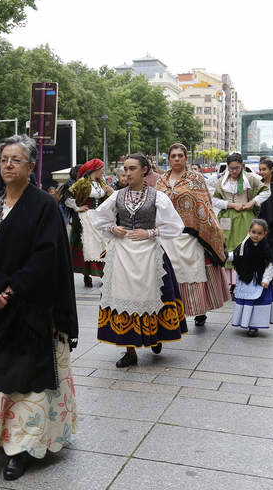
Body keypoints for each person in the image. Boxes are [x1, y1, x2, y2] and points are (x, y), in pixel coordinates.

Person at [0, 135, 78, 481]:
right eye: (4, 159)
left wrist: (11, 291)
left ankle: (24, 448)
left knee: (29, 384)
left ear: (30, 166)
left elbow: (47, 258)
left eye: (16, 160)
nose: (8, 165)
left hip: (30, 310)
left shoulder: (43, 206)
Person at [93, 153, 188, 368]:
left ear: (144, 171)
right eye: (124, 169)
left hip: (149, 253)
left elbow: (175, 225)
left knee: (154, 295)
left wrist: (151, 232)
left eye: (131, 169)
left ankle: (155, 335)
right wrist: (112, 227)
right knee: (123, 296)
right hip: (123, 252)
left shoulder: (158, 196)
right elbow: (99, 218)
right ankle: (129, 350)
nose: (126, 173)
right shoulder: (116, 195)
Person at [156, 144, 229, 327]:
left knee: (193, 270)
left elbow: (204, 204)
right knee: (171, 273)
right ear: (169, 158)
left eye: (180, 155)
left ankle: (199, 310)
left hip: (191, 233)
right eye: (173, 156)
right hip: (166, 233)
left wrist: (209, 229)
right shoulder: (161, 181)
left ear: (186, 158)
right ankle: (174, 310)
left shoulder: (195, 179)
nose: (177, 159)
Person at [213, 152, 271, 292]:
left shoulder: (251, 179)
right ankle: (229, 283)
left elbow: (266, 192)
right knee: (227, 246)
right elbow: (214, 200)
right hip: (226, 218)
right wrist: (230, 205)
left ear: (242, 166)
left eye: (237, 168)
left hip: (245, 217)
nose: (234, 171)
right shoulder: (222, 181)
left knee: (243, 247)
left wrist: (252, 202)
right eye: (231, 168)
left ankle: (242, 280)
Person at [66, 159, 113, 287]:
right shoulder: (82, 182)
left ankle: (103, 274)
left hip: (99, 217)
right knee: (88, 246)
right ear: (95, 170)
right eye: (102, 169)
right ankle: (87, 275)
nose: (103, 171)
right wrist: (77, 208)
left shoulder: (102, 183)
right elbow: (67, 197)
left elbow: (109, 200)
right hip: (86, 218)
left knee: (102, 245)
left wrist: (110, 192)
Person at [229, 219, 273, 337]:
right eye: (253, 232)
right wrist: (223, 255)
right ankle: (243, 321)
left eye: (259, 233)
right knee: (246, 301)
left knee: (257, 303)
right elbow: (235, 256)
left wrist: (266, 280)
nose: (256, 235)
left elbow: (269, 264)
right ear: (249, 231)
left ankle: (254, 326)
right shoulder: (244, 245)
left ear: (265, 233)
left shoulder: (266, 248)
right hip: (246, 278)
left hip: (259, 280)